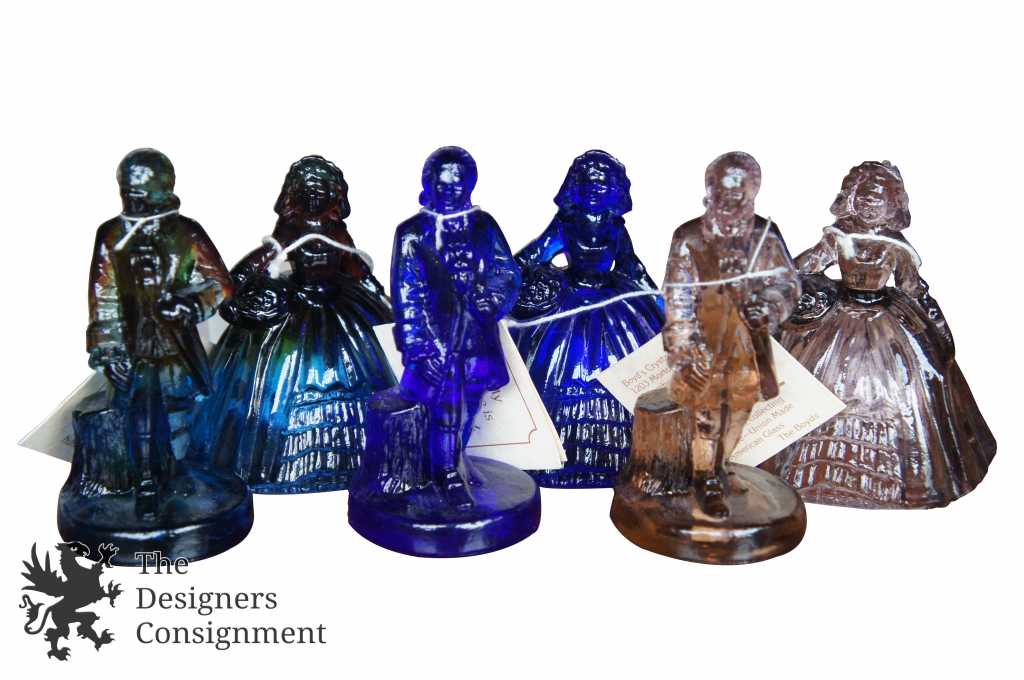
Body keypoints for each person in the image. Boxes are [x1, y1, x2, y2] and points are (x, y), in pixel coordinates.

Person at [762, 161, 996, 508]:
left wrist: (938, 330)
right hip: (835, 319)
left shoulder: (896, 247)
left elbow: (913, 289)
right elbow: (807, 264)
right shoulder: (838, 236)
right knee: (809, 383)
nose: (869, 206)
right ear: (851, 198)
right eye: (863, 197)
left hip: (887, 324)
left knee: (906, 387)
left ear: (892, 204)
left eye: (878, 199)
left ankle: (898, 476)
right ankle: (811, 466)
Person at [190, 156, 395, 493]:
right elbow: (257, 262)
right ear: (294, 195)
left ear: (334, 195)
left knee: (370, 375)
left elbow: (357, 269)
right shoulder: (289, 230)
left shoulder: (337, 232)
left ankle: (361, 459)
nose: (314, 197)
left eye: (321, 190)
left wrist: (387, 304)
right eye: (307, 190)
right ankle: (275, 459)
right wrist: (234, 288)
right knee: (274, 386)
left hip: (342, 307)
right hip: (294, 309)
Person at [510, 150, 663, 488]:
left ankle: (618, 455)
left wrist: (666, 310)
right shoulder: (566, 224)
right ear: (576, 187)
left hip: (613, 305)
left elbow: (633, 269)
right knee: (550, 371)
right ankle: (555, 451)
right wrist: (504, 280)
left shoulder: (615, 228)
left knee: (630, 374)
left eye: (602, 184)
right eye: (588, 183)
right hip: (567, 307)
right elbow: (532, 256)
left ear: (614, 190)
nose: (595, 189)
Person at [663, 151, 799, 517]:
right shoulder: (689, 237)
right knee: (705, 412)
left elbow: (786, 283)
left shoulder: (765, 235)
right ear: (709, 190)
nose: (727, 202)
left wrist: (768, 307)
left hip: (746, 341)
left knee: (740, 407)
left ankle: (720, 465)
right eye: (720, 193)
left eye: (737, 194)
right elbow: (677, 296)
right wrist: (685, 349)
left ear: (752, 194)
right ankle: (704, 477)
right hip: (704, 337)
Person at [390, 146, 521, 504]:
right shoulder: (411, 233)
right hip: (438, 339)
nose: (450, 192)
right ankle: (445, 472)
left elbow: (505, 269)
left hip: (477, 334)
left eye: (458, 185)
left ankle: (457, 457)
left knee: (471, 400)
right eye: (442, 185)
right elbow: (407, 294)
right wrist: (421, 347)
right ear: (428, 184)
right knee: (445, 406)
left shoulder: (483, 225)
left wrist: (491, 298)